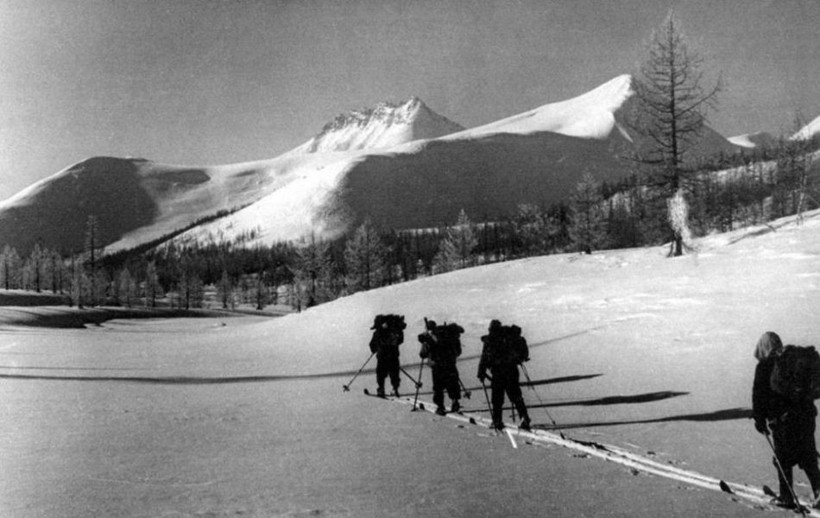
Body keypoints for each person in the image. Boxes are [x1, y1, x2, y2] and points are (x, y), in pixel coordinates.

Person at [752, 331, 820, 509]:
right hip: (806, 416)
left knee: (783, 458)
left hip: (783, 420)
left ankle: (786, 497)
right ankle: (819, 490)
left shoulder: (765, 365)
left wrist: (759, 420)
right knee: (808, 455)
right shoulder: (792, 360)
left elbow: (758, 395)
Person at [478, 320, 531, 431]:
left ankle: (497, 421)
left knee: (497, 398)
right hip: (511, 370)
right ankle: (524, 418)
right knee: (516, 395)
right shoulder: (509, 338)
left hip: (498, 372)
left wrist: (481, 372)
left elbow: (484, 357)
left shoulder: (491, 339)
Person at [418, 320, 463, 415]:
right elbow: (458, 352)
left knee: (438, 386)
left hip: (437, 366)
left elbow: (423, 354)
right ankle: (455, 401)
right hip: (450, 363)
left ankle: (440, 406)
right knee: (452, 383)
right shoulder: (449, 336)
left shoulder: (428, 338)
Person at [369, 314, 405, 397]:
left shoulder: (377, 333)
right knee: (394, 373)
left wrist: (374, 349)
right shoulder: (394, 331)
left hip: (382, 357)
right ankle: (395, 389)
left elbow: (372, 344)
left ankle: (381, 389)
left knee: (381, 374)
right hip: (393, 356)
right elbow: (400, 340)